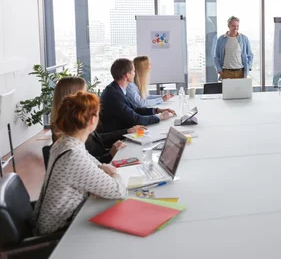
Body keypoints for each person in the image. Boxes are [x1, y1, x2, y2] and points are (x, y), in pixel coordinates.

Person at [33, 92, 127, 235]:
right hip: (59, 233)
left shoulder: (64, 143)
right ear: (92, 120)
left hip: (48, 223)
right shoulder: (73, 155)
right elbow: (119, 191)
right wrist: (113, 173)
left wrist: (103, 172)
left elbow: (97, 166)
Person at [51, 76, 146, 163]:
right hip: (100, 165)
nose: (88, 95)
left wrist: (127, 131)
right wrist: (110, 155)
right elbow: (84, 163)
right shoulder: (70, 130)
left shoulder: (71, 122)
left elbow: (97, 138)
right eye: (85, 92)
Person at [100, 58, 175, 131]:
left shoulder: (117, 89)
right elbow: (137, 120)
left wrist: (157, 110)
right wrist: (161, 117)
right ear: (127, 75)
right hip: (117, 138)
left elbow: (135, 109)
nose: (135, 74)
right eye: (133, 71)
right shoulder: (114, 95)